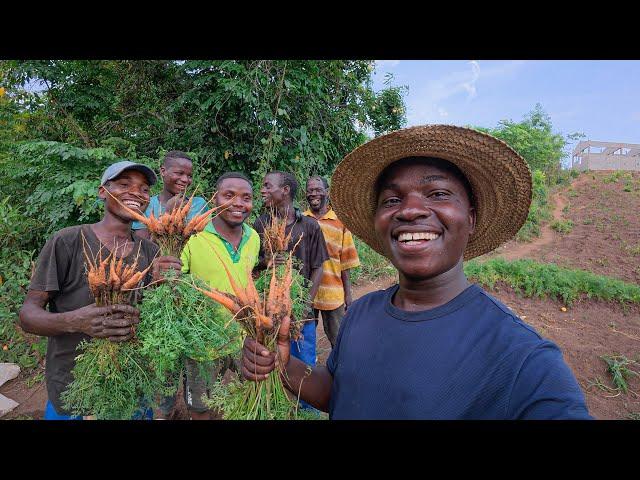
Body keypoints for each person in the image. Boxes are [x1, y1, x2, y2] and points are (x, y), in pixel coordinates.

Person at [240, 125, 593, 419]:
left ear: (470, 218)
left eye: (437, 193)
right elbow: (338, 393)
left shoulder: (521, 357)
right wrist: (283, 365)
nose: (409, 211)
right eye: (392, 200)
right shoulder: (362, 312)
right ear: (378, 222)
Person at [19, 161, 182, 420]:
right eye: (124, 184)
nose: (136, 193)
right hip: (73, 387)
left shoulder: (151, 253)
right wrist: (73, 321)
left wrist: (165, 289)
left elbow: (160, 322)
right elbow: (27, 315)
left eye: (143, 190)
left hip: (132, 385)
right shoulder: (67, 241)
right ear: (102, 191)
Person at [156, 172, 261, 420]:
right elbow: (171, 282)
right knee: (200, 407)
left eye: (246, 198)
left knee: (247, 393)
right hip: (201, 341)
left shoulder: (254, 237)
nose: (238, 203)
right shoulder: (193, 236)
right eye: (229, 195)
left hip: (243, 337)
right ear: (215, 199)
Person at [253, 171, 329, 370]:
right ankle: (279, 399)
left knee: (303, 364)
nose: (262, 190)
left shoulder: (309, 225)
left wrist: (306, 302)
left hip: (301, 310)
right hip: (270, 309)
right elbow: (253, 265)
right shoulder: (260, 224)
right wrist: (266, 261)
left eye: (268, 186)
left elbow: (319, 266)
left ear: (285, 190)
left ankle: (304, 402)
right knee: (271, 359)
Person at [304, 175, 360, 348]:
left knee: (339, 341)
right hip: (304, 294)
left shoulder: (339, 222)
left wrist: (348, 295)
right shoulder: (300, 220)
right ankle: (307, 372)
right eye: (310, 190)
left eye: (318, 190)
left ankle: (342, 372)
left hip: (332, 293)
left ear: (327, 192)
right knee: (304, 341)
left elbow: (346, 262)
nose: (314, 194)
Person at [132, 150, 207, 240]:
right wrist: (169, 214)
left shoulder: (198, 204)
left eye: (190, 176)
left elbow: (202, 241)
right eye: (179, 173)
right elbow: (143, 248)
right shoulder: (145, 205)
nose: (185, 179)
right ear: (163, 171)